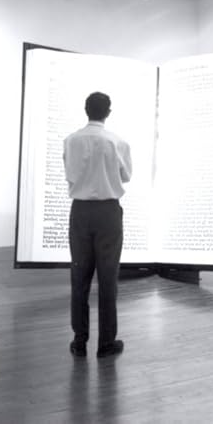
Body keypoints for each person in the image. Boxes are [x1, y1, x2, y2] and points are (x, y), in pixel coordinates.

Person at [63, 92, 132, 358]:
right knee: (108, 278)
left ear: (85, 110)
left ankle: (80, 341)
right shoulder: (118, 142)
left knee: (79, 277)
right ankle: (106, 343)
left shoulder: (71, 141)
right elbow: (125, 176)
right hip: (108, 213)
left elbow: (70, 174)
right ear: (108, 112)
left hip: (80, 212)